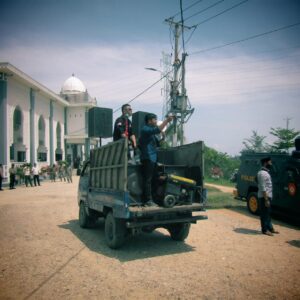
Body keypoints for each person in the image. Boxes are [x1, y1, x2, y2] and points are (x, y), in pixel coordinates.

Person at [139, 113, 174, 206]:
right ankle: (147, 201)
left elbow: (158, 142)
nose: (156, 121)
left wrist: (163, 137)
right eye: (155, 119)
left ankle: (153, 199)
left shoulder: (150, 133)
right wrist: (167, 120)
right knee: (148, 180)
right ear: (149, 121)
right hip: (148, 158)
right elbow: (157, 129)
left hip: (152, 159)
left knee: (154, 179)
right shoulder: (145, 129)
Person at [257, 157, 279, 236]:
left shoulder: (265, 172)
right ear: (265, 163)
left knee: (268, 213)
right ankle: (265, 230)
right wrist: (266, 199)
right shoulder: (262, 173)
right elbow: (263, 187)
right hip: (264, 197)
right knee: (264, 214)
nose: (271, 164)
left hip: (267, 196)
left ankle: (270, 228)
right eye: (270, 162)